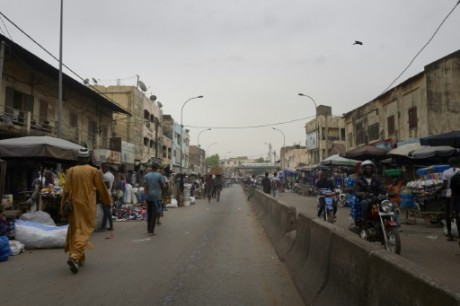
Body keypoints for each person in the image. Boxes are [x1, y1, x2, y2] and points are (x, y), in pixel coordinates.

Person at [60, 148, 112, 274]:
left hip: (73, 205)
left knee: (75, 229)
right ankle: (75, 256)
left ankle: (79, 257)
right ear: (88, 159)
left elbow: (66, 191)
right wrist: (108, 201)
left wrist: (62, 208)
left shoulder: (71, 171)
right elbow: (101, 188)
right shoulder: (94, 171)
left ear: (78, 158)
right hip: (87, 206)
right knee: (85, 231)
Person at [353, 160, 387, 229]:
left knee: (387, 204)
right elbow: (356, 191)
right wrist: (361, 193)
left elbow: (382, 188)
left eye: (370, 168)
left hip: (376, 198)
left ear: (373, 169)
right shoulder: (359, 180)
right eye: (366, 168)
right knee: (364, 203)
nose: (368, 169)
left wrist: (386, 193)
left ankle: (389, 220)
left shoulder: (376, 179)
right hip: (365, 198)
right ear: (363, 169)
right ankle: (364, 223)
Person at [143, 162, 165, 236]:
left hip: (149, 197)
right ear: (157, 168)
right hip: (156, 197)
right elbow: (162, 185)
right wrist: (163, 194)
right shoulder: (160, 176)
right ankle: (151, 231)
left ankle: (148, 229)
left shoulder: (146, 175)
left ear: (151, 167)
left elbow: (145, 187)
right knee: (154, 214)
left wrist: (145, 197)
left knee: (149, 213)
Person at [442, 157, 460, 241]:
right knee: (458, 215)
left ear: (449, 163)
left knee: (448, 214)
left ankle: (450, 235)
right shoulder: (459, 171)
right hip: (458, 196)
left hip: (449, 195)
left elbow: (445, 185)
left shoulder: (445, 172)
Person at [345, 162, 361, 229]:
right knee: (355, 200)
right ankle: (356, 221)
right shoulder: (351, 177)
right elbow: (347, 189)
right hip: (353, 195)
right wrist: (354, 188)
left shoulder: (366, 177)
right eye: (361, 168)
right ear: (357, 169)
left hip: (364, 194)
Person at [99, 163, 115, 232]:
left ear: (105, 168)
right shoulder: (112, 175)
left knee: (106, 211)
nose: (101, 170)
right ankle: (110, 226)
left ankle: (103, 227)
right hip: (109, 193)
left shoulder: (105, 176)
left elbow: (107, 186)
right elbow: (112, 186)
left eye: (102, 168)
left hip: (105, 195)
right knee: (108, 211)